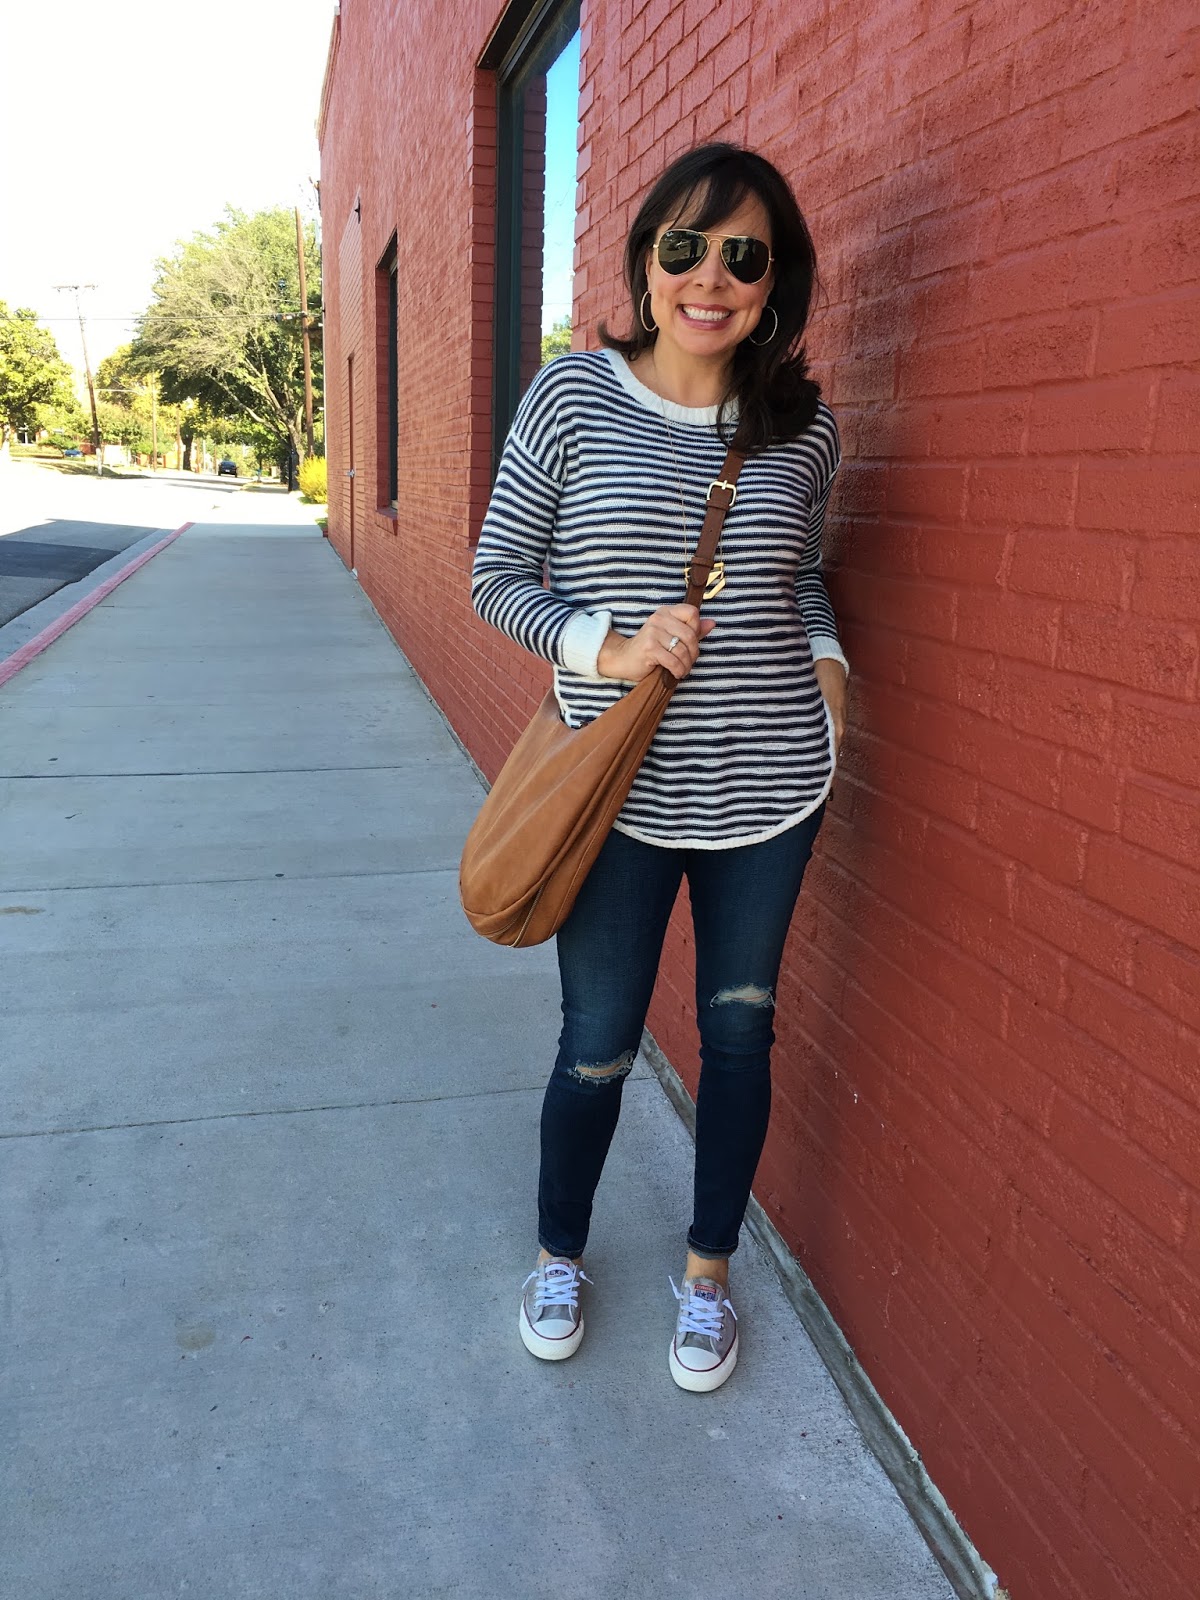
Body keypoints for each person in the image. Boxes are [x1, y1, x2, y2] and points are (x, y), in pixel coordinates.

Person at [471, 142, 848, 1393]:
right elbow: (495, 577)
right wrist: (612, 645)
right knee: (598, 1041)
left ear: (775, 282)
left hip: (767, 789)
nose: (711, 277)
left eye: (744, 256)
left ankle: (707, 1273)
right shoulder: (572, 398)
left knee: (739, 1034)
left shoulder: (802, 430)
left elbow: (799, 576)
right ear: (645, 261)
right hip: (612, 793)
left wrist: (833, 667)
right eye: (685, 247)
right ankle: (560, 1253)